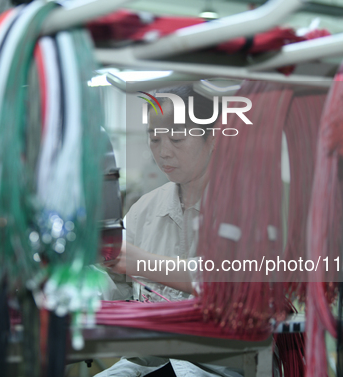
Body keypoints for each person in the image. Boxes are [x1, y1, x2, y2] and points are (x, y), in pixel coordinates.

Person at [97, 85, 243, 377]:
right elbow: (115, 285)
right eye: (154, 139)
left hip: (217, 369)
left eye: (177, 138)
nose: (163, 152)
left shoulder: (242, 208)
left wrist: (139, 261)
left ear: (212, 137)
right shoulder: (145, 210)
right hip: (144, 363)